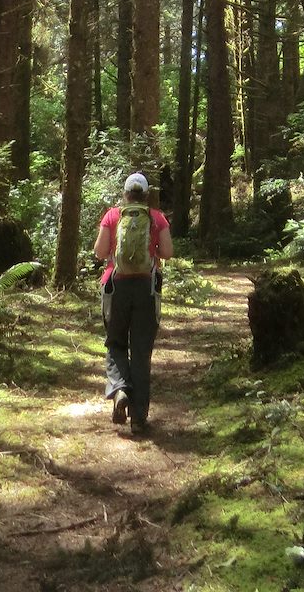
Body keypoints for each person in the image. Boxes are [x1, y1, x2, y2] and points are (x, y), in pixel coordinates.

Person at [93, 171, 172, 436]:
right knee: (141, 351)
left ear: (125, 193)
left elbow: (100, 252)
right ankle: (139, 418)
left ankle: (120, 389)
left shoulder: (113, 216)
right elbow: (168, 253)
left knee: (115, 341)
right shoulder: (157, 218)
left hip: (116, 287)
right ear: (146, 194)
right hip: (146, 289)